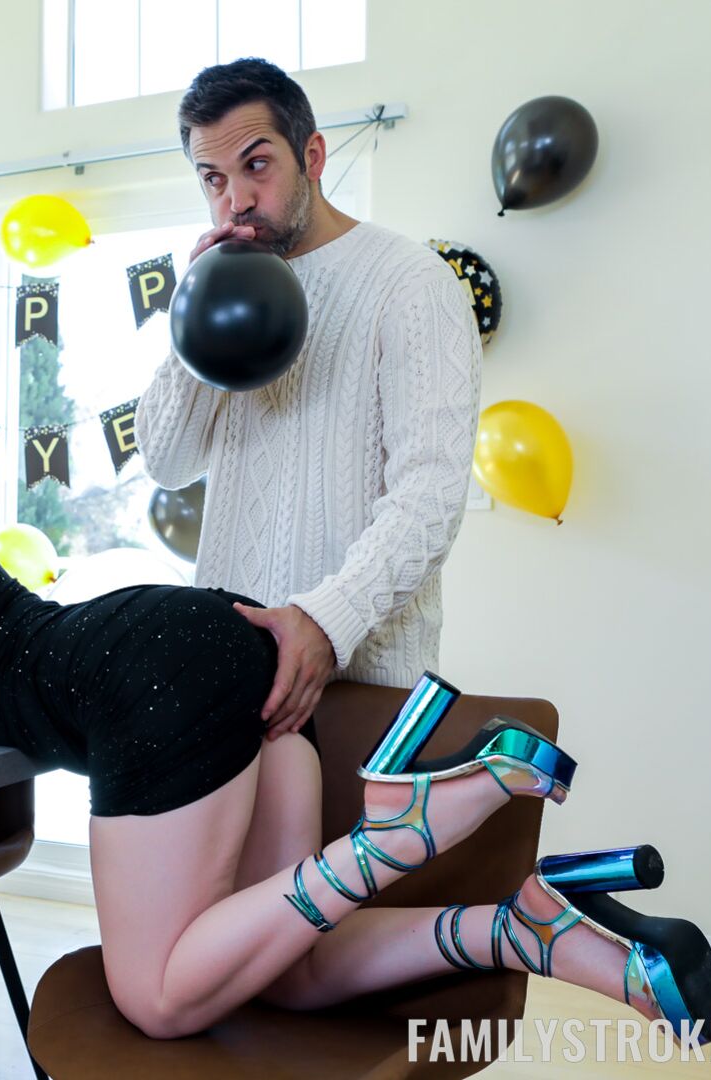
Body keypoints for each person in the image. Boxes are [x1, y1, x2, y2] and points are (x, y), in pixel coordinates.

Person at [0, 335, 711, 1044]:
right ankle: (522, 929)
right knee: (286, 968)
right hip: (197, 653)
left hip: (146, 676)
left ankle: (399, 834)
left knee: (157, 999)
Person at [136, 59, 484, 743]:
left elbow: (430, 497)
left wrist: (326, 620)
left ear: (313, 156)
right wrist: (192, 312)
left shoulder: (412, 282)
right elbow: (166, 462)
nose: (236, 200)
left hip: (366, 688)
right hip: (229, 682)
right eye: (213, 179)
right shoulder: (221, 287)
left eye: (256, 165)